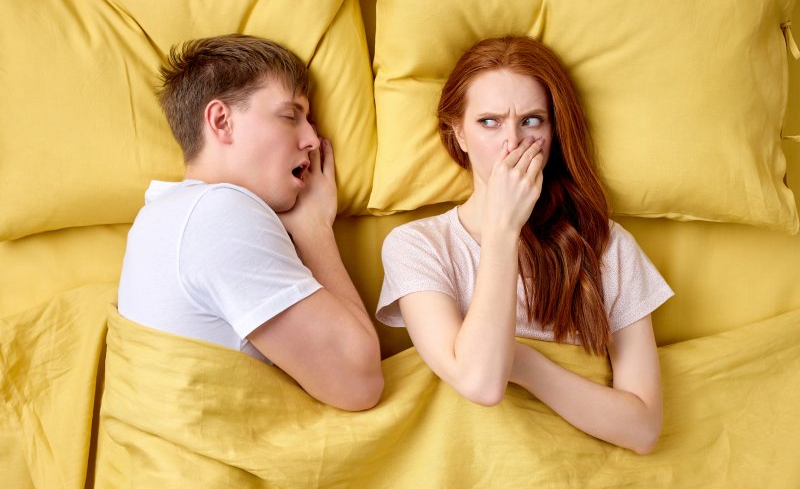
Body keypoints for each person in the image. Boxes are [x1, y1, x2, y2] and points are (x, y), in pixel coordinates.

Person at [376, 36, 673, 453]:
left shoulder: (609, 246)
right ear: (458, 133)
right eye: (489, 122)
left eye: (532, 120)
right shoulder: (417, 245)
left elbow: (642, 430)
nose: (512, 143)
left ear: (554, 132)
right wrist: (502, 231)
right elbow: (480, 382)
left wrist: (523, 363)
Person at [118, 34, 383, 411]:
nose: (312, 139)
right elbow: (359, 384)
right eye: (290, 116)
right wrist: (314, 231)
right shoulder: (217, 212)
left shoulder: (158, 215)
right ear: (222, 121)